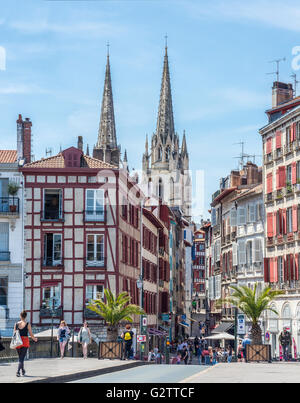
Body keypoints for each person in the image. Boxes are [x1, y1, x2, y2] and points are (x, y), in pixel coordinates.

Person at [14, 310, 38, 377]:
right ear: (25, 316)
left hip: (18, 341)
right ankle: (18, 371)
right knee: (21, 358)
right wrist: (34, 339)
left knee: (20, 358)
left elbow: (14, 334)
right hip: (24, 341)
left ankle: (23, 370)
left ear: (20, 316)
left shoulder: (16, 324)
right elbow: (31, 334)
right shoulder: (28, 324)